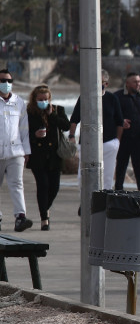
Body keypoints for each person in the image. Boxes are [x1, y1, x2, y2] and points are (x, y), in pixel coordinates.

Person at [69, 68, 124, 191]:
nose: (97, 84)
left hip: (109, 143)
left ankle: (104, 205)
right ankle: (85, 205)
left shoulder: (112, 99)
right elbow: (74, 119)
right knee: (83, 176)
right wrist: (71, 136)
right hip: (87, 143)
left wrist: (117, 142)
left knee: (107, 178)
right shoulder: (84, 97)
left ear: (106, 84)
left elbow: (120, 122)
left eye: (100, 81)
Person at [25, 85, 71, 230]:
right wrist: (34, 135)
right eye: (40, 99)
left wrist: (52, 115)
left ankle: (45, 209)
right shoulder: (29, 112)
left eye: (46, 99)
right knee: (43, 185)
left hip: (54, 156)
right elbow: (22, 132)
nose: (43, 101)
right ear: (34, 99)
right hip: (37, 156)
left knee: (55, 187)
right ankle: (44, 218)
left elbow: (66, 126)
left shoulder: (58, 110)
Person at [0, 68, 32, 232]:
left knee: (17, 184)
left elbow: (24, 129)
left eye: (9, 81)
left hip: (15, 152)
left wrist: (26, 151)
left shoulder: (19, 102)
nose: (6, 84)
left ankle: (20, 217)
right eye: (3, 80)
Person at [114, 72, 140, 193]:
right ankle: (118, 188)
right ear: (127, 83)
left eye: (139, 82)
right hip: (124, 137)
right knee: (122, 163)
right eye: (135, 82)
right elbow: (112, 115)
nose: (138, 84)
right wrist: (121, 121)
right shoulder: (117, 96)